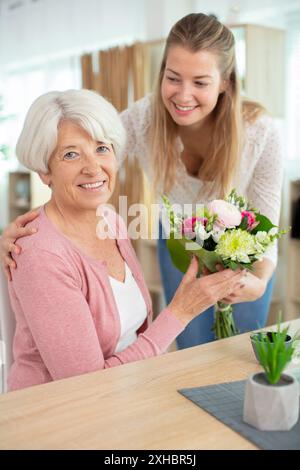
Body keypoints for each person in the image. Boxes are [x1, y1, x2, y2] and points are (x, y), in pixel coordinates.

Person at [1, 13, 282, 349]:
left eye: (200, 82)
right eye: (173, 78)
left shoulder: (260, 131)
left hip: (244, 251)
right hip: (180, 245)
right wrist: (33, 233)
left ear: (226, 81)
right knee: (190, 352)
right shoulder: (144, 118)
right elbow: (89, 172)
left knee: (240, 352)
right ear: (161, 72)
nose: (183, 95)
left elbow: (267, 226)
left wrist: (261, 281)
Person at [3, 89, 244, 391]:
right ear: (44, 171)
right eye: (71, 154)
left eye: (102, 148)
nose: (93, 167)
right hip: (59, 419)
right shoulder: (40, 253)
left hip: (126, 394)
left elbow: (136, 333)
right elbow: (85, 386)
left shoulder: (110, 220)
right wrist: (180, 312)